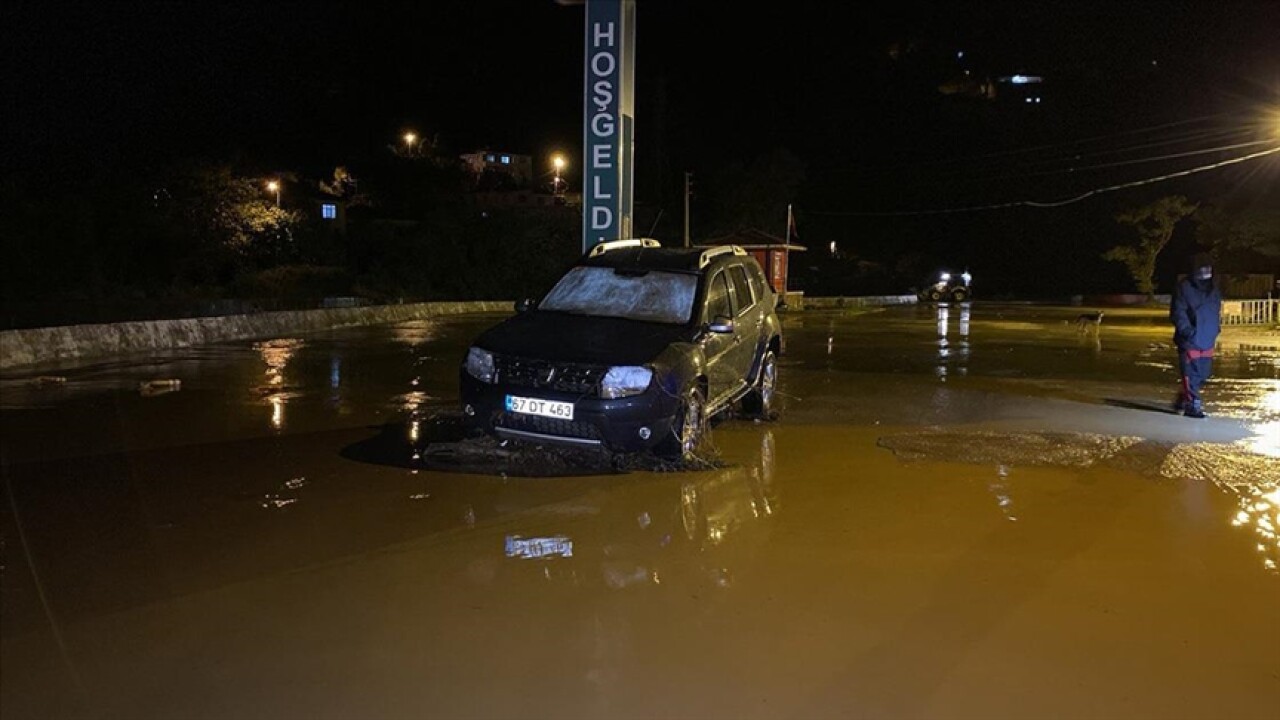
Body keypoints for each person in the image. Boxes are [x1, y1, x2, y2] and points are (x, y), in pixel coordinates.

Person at [1170, 253, 1222, 418]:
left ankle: (1184, 398)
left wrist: (1215, 329)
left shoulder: (1213, 290)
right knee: (1190, 374)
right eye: (1202, 269)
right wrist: (1187, 332)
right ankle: (1193, 405)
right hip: (1190, 341)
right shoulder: (1184, 288)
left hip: (1207, 338)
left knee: (1203, 374)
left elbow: (1215, 310)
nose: (1205, 272)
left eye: (1208, 269)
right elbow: (1178, 312)